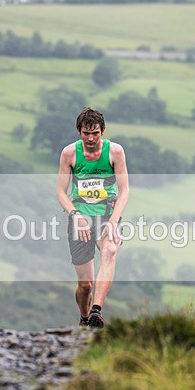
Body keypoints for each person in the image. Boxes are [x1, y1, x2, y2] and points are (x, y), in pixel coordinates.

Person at [56, 107, 129, 328]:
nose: (90, 138)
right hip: (80, 218)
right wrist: (75, 215)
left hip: (107, 215)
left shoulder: (115, 152)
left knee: (110, 250)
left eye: (95, 133)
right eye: (86, 133)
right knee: (85, 285)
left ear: (103, 131)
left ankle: (96, 312)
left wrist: (115, 222)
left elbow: (124, 190)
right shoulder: (69, 154)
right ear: (79, 132)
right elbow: (60, 191)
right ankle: (84, 316)